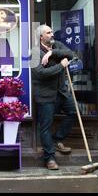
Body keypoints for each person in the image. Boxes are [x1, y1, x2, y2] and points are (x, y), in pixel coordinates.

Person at [32, 24, 78, 170]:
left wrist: (52, 54)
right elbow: (39, 73)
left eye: (52, 32)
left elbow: (71, 54)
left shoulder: (56, 45)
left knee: (73, 112)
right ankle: (50, 158)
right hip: (45, 95)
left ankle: (57, 139)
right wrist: (61, 66)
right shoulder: (33, 52)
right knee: (45, 126)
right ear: (41, 37)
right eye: (48, 33)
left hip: (61, 92)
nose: (52, 35)